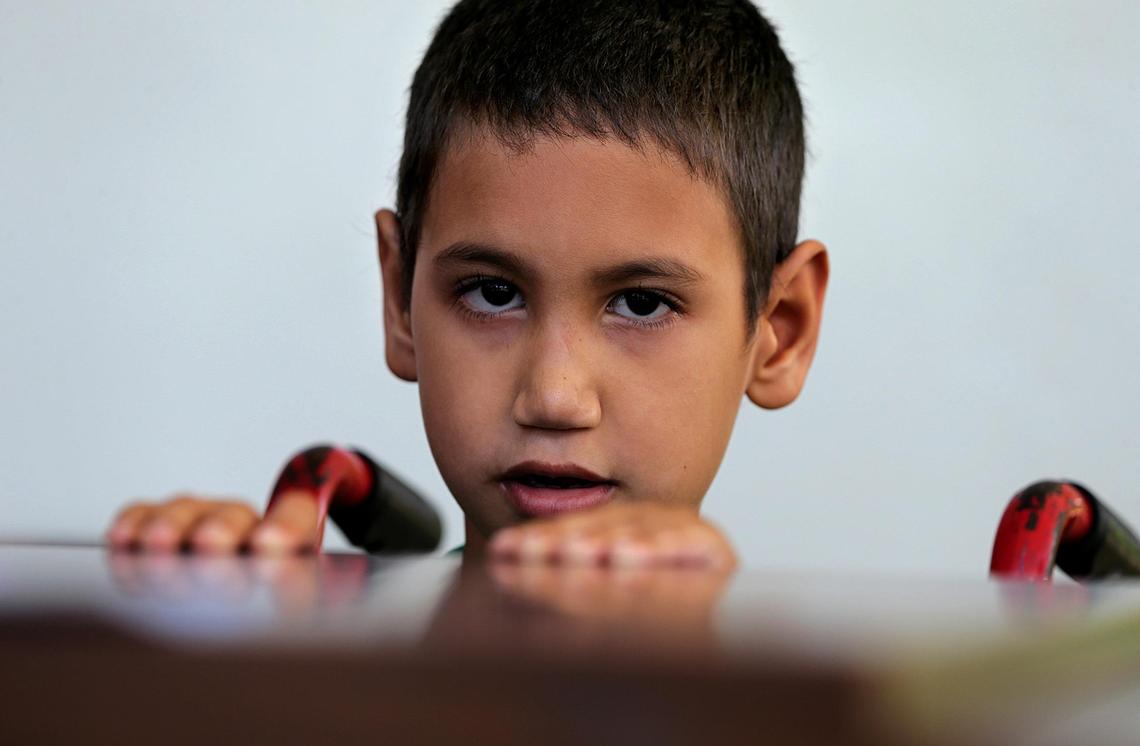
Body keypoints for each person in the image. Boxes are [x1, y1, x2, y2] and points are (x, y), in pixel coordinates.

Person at [106, 0, 829, 569]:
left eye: (642, 304)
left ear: (780, 330)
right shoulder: (325, 649)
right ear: (400, 301)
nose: (554, 397)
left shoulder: (810, 707)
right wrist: (202, 621)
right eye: (492, 293)